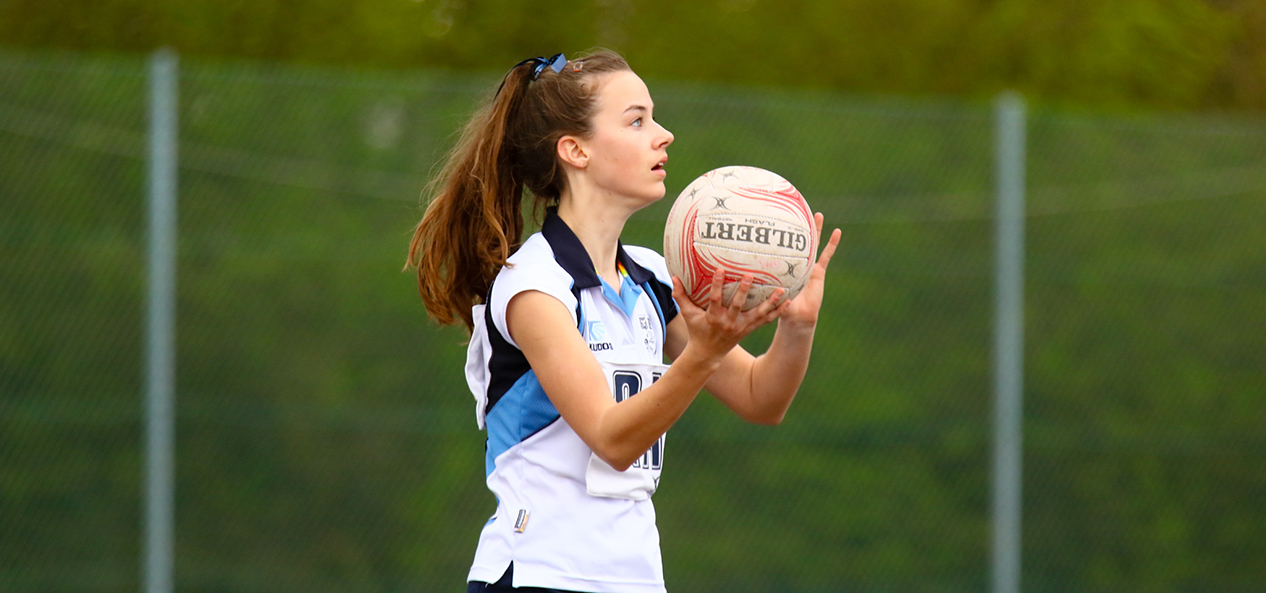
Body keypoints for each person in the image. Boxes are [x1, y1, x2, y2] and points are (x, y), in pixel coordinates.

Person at [406, 49, 841, 593]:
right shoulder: (533, 286)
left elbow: (761, 399)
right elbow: (612, 439)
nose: (664, 135)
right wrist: (702, 355)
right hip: (540, 575)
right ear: (575, 150)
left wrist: (796, 328)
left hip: (632, 579)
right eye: (637, 120)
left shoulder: (655, 280)